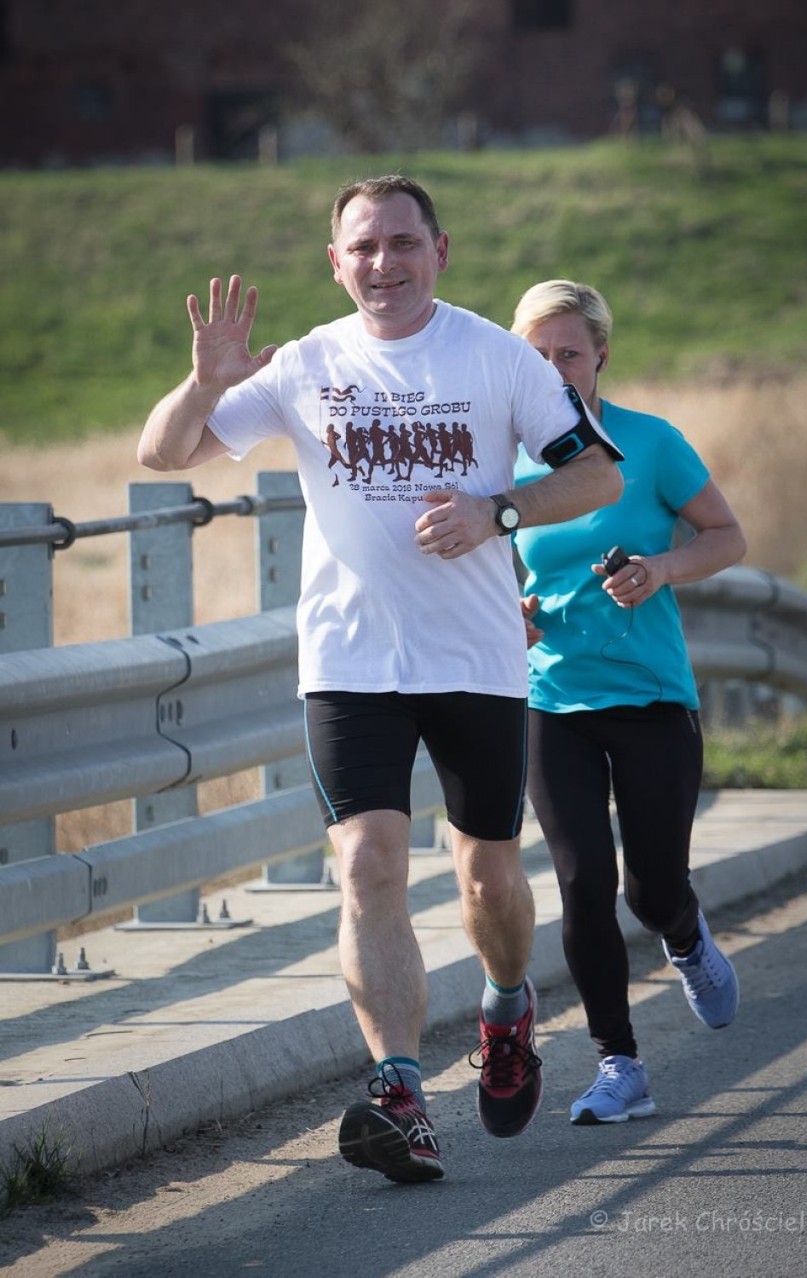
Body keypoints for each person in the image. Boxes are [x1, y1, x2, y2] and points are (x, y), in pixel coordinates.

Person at [137, 178, 624, 1181]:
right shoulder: (309, 363)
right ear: (336, 261)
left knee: (487, 879)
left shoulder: (495, 355)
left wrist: (501, 511)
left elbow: (599, 473)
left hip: (477, 662)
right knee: (367, 870)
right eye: (364, 248)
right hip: (351, 665)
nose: (384, 264)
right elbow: (163, 454)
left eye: (404, 243)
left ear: (439, 250)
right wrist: (204, 381)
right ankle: (399, 1090)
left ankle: (505, 1004)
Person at [510, 279, 746, 1125]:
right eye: (535, 355)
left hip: (651, 697)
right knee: (582, 880)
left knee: (650, 890)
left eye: (567, 352)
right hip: (554, 700)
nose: (552, 369)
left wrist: (660, 570)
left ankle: (683, 935)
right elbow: (487, 563)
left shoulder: (649, 444)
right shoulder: (501, 454)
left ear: (601, 355)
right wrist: (513, 610)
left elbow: (726, 535)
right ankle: (620, 1065)